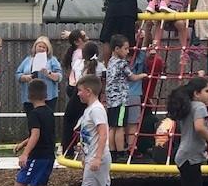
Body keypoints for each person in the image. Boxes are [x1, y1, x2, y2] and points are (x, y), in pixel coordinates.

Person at [63, 74, 131, 186]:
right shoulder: (90, 109)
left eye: (79, 91)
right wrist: (85, 155)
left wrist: (97, 157)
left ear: (88, 91)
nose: (77, 94)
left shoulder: (97, 110)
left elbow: (103, 135)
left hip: (98, 157)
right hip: (93, 156)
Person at [13, 79, 55, 186]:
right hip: (49, 156)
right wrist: (23, 143)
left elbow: (36, 135)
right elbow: (38, 134)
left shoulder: (34, 114)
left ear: (29, 95)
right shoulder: (49, 112)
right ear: (46, 95)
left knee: (19, 185)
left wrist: (25, 154)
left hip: (38, 157)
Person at [106, 34, 147, 162]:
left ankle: (112, 151)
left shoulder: (110, 61)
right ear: (117, 49)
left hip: (111, 100)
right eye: (125, 49)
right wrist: (143, 75)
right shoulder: (122, 63)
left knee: (112, 126)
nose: (128, 51)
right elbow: (132, 77)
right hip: (121, 100)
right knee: (120, 127)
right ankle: (121, 152)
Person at [61, 41, 106, 156]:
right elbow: (103, 82)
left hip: (80, 93)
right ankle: (89, 147)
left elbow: (76, 79)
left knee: (69, 120)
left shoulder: (78, 64)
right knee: (91, 122)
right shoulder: (101, 67)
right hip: (94, 95)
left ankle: (68, 149)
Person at [16, 36, 62, 115]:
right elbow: (18, 74)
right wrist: (25, 77)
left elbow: (59, 77)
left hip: (48, 97)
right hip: (30, 97)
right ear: (35, 47)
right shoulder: (28, 59)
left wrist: (49, 73)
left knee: (46, 121)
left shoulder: (52, 60)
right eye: (39, 46)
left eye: (44, 47)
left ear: (48, 49)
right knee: (32, 121)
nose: (41, 49)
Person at [125, 48, 146, 156]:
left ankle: (119, 148)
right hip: (134, 94)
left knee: (120, 123)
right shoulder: (139, 59)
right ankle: (131, 147)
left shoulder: (120, 61)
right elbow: (144, 46)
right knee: (133, 123)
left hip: (122, 95)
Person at [62, 29, 87, 98]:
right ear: (76, 42)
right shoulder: (80, 54)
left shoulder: (75, 52)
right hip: (77, 85)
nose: (86, 40)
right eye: (83, 39)